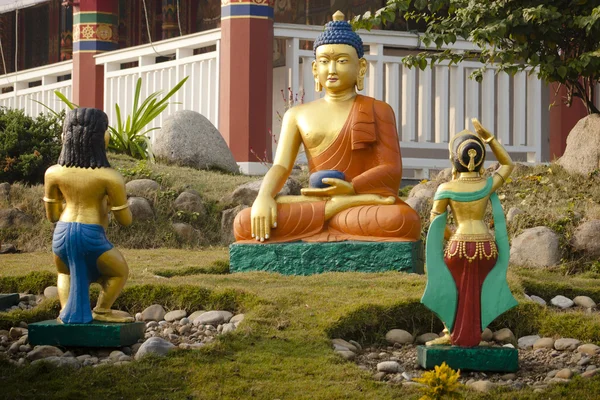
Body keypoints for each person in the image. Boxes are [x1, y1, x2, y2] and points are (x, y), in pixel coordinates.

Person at [233, 11, 420, 243]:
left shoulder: (377, 109)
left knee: (401, 219)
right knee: (244, 221)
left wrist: (351, 188)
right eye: (324, 62)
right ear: (314, 69)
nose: (331, 69)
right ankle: (332, 210)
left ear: (361, 68)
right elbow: (281, 166)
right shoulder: (297, 114)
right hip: (322, 202)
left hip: (359, 199)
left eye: (341, 61)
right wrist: (264, 196)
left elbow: (391, 169)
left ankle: (334, 211)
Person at [422, 119, 518, 347]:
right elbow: (507, 165)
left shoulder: (445, 189)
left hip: (459, 245)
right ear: (480, 160)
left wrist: (450, 237)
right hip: (486, 246)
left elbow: (435, 220)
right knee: (478, 289)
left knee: (453, 287)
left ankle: (451, 333)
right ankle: (473, 334)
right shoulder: (486, 185)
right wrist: (490, 139)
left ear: (454, 161)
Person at [44, 108, 134, 324]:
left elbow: (52, 216)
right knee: (118, 271)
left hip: (62, 234)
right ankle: (102, 310)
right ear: (102, 137)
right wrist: (114, 205)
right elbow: (125, 221)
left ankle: (66, 312)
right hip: (91, 234)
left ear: (65, 136)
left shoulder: (53, 172)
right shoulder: (109, 177)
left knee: (65, 272)